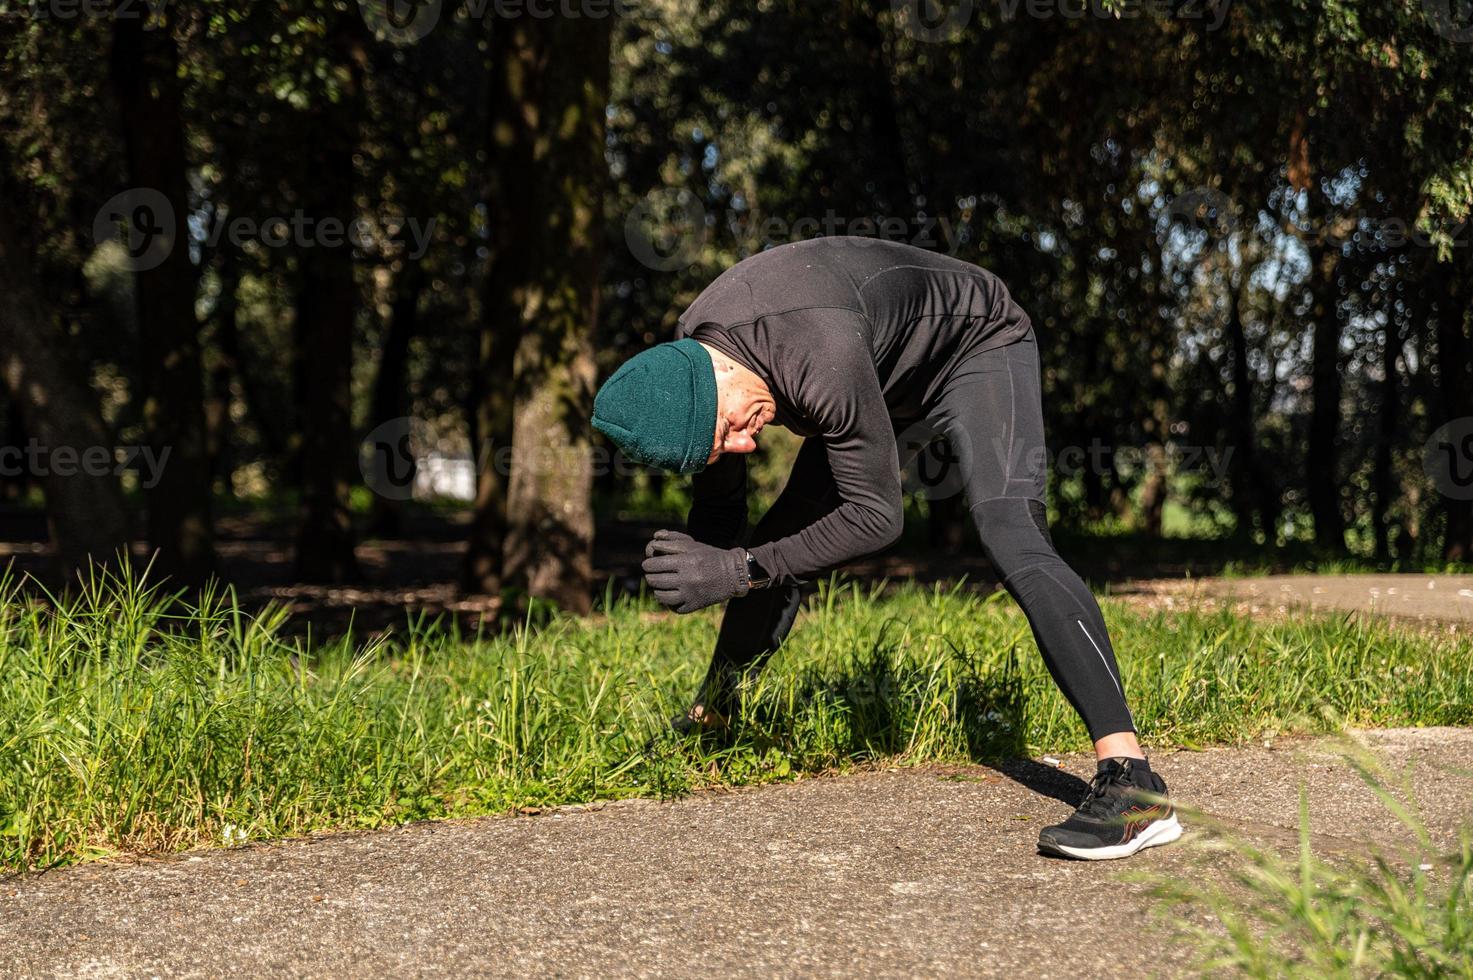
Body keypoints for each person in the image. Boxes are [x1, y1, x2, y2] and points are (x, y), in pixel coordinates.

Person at [592, 237, 1180, 860]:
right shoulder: (693, 366)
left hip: (974, 344)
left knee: (1010, 533)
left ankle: (1133, 784)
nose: (744, 445)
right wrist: (704, 562)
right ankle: (712, 721)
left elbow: (877, 518)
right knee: (781, 538)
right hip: (881, 371)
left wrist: (737, 570)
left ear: (717, 378)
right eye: (723, 446)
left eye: (731, 429)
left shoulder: (817, 354)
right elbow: (722, 508)